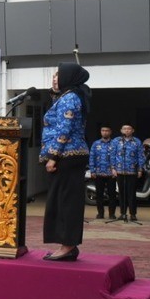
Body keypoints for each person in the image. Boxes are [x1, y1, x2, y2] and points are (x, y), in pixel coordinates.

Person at [41, 62, 91, 261]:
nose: (54, 79)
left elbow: (64, 129)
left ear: (69, 78)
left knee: (66, 202)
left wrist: (53, 156)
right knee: (63, 201)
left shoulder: (69, 98)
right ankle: (68, 245)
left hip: (67, 156)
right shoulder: (67, 96)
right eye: (53, 76)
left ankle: (68, 245)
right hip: (69, 156)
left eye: (58, 75)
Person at [112, 123, 144, 223]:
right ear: (121, 130)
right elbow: (112, 155)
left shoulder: (137, 142)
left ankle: (133, 214)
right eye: (124, 129)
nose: (126, 130)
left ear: (132, 130)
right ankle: (122, 213)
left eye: (129, 129)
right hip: (120, 171)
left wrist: (140, 169)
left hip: (132, 171)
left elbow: (141, 156)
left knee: (131, 193)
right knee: (121, 193)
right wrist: (113, 168)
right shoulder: (116, 141)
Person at [89, 125, 117, 220]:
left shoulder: (115, 144)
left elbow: (118, 158)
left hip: (111, 174)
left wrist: (116, 170)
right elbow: (91, 158)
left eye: (107, 130)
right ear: (101, 132)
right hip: (98, 173)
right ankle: (100, 213)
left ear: (110, 132)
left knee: (112, 195)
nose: (105, 132)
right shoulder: (95, 144)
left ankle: (112, 214)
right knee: (99, 194)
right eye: (103, 130)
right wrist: (92, 171)